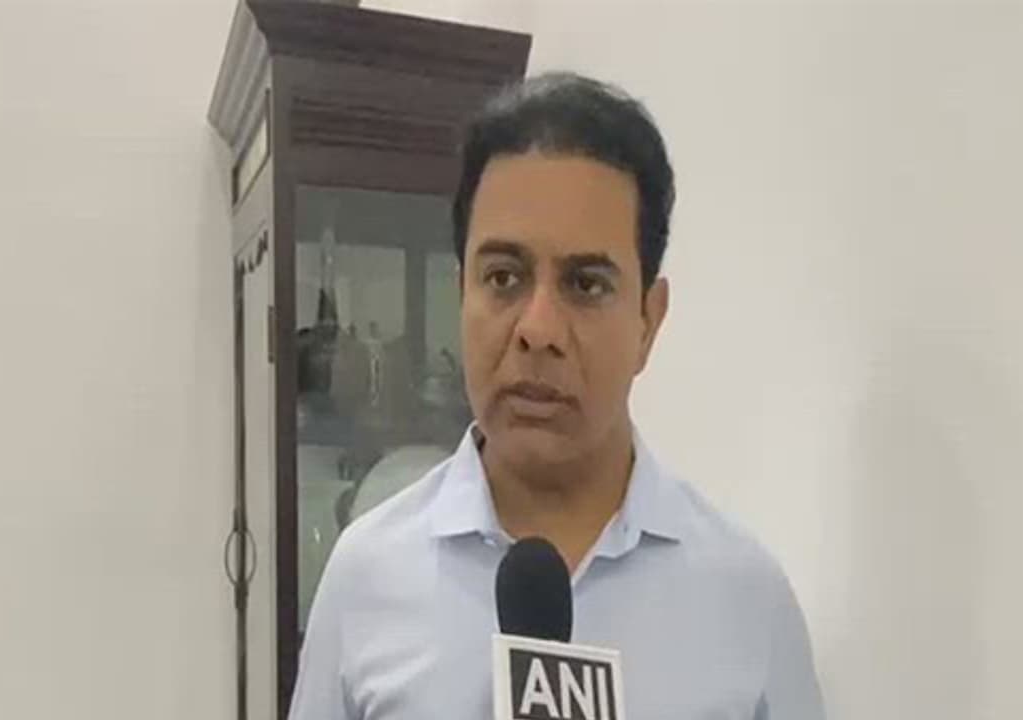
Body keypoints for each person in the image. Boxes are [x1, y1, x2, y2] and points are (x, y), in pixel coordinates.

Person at [289, 72, 825, 720]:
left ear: (648, 321)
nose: (538, 329)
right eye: (504, 277)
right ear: (461, 295)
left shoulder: (749, 600)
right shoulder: (365, 577)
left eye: (586, 284)